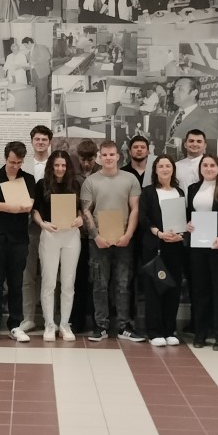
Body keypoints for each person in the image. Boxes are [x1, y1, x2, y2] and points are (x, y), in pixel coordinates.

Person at [81, 140, 142, 341]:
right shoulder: (90, 182)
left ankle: (124, 326)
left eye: (111, 154)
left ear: (118, 156)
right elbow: (86, 211)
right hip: (98, 241)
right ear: (99, 157)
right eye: (104, 155)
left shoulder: (130, 179)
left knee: (123, 284)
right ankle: (101, 326)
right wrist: (96, 236)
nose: (108, 158)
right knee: (99, 284)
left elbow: (135, 209)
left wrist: (128, 235)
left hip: (124, 240)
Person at [0, 141, 38, 344]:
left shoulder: (28, 179)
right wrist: (11, 207)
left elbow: (28, 206)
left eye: (19, 163)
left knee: (16, 283)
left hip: (18, 239)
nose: (15, 166)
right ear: (5, 158)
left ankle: (15, 325)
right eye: (12, 162)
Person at [186, 154, 218, 349]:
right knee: (200, 291)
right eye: (205, 165)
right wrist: (188, 224)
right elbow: (189, 215)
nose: (208, 169)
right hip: (198, 246)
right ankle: (200, 334)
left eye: (212, 165)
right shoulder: (193, 189)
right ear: (200, 169)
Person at [32, 150, 82, 341]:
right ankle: (49, 324)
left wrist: (80, 219)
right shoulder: (42, 184)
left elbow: (80, 209)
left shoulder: (75, 184)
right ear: (51, 166)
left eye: (63, 165)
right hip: (50, 234)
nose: (60, 169)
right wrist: (42, 224)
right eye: (57, 165)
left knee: (68, 282)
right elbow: (35, 210)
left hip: (71, 235)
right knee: (49, 282)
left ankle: (65, 324)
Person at [138, 155, 186, 347]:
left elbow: (184, 218)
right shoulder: (148, 192)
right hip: (155, 246)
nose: (165, 169)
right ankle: (155, 331)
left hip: (175, 246)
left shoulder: (179, 192)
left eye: (168, 166)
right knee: (155, 288)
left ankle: (169, 330)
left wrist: (181, 235)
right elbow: (144, 218)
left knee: (173, 287)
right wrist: (159, 233)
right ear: (155, 170)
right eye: (161, 166)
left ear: (173, 169)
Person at [19, 125, 53, 332]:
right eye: (37, 139)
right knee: (27, 275)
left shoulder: (56, 165)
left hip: (51, 226)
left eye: (44, 140)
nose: (40, 143)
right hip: (27, 227)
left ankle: (53, 319)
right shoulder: (23, 166)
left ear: (49, 142)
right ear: (32, 141)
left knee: (52, 276)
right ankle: (28, 318)